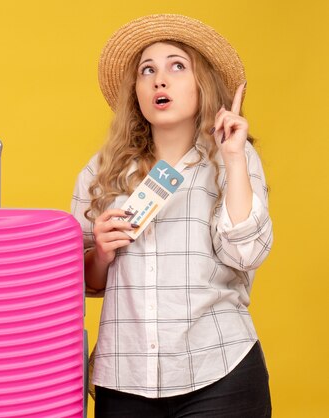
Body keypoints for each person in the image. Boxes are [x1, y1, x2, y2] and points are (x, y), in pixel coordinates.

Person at [71, 14, 273, 417]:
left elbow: (246, 254)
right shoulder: (101, 170)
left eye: (177, 66)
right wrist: (103, 254)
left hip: (220, 369)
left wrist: (233, 160)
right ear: (137, 92)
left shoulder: (233, 157)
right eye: (148, 71)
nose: (159, 80)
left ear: (202, 84)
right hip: (124, 378)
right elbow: (83, 283)